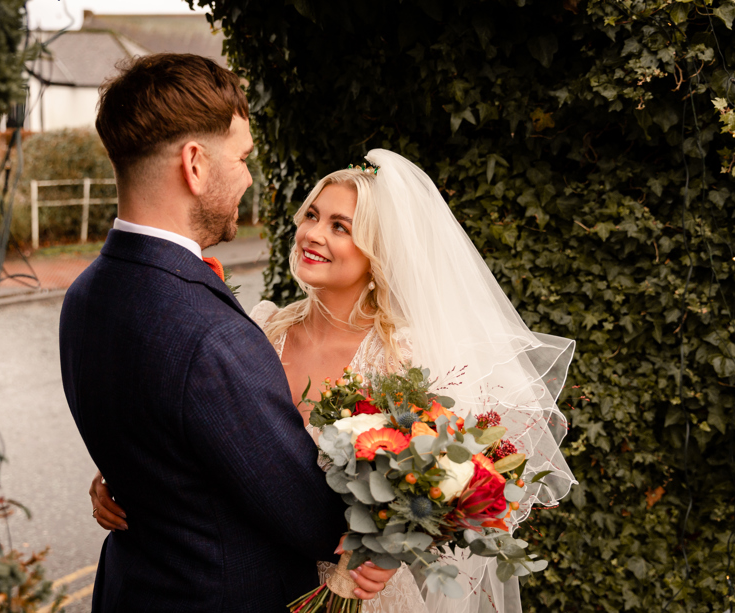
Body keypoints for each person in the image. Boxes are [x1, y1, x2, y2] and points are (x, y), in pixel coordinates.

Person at [91, 149, 577, 613]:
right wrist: (125, 473)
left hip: (361, 597)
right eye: (311, 216)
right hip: (258, 585)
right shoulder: (260, 331)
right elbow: (199, 433)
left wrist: (393, 550)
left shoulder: (407, 360)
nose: (313, 234)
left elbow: (460, 483)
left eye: (339, 226)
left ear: (377, 252)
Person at [59, 53, 395, 613]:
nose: (248, 176)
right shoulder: (214, 337)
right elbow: (311, 520)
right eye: (241, 158)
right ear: (194, 164)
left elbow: (156, 438)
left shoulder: (85, 294)